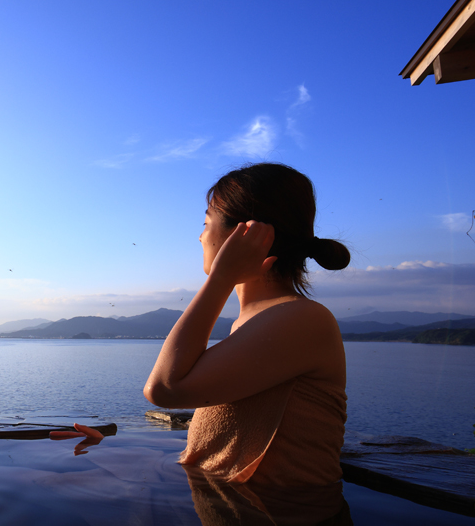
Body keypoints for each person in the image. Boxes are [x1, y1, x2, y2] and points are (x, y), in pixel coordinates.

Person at [143, 163, 350, 486]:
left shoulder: (301, 319)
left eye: (206, 223)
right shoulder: (254, 322)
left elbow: (164, 389)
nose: (200, 236)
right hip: (240, 523)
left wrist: (221, 279)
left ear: (244, 235)